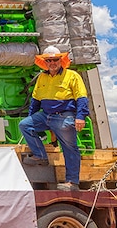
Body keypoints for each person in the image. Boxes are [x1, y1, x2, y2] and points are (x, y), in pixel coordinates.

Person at [18, 45, 90, 191]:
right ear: (44, 62)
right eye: (49, 60)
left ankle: (72, 182)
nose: (52, 63)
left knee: (70, 148)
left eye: (55, 60)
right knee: (25, 125)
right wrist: (32, 118)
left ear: (61, 60)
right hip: (45, 115)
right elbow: (35, 100)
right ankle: (40, 155)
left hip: (65, 116)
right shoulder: (42, 77)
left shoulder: (72, 75)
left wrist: (80, 116)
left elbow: (81, 97)